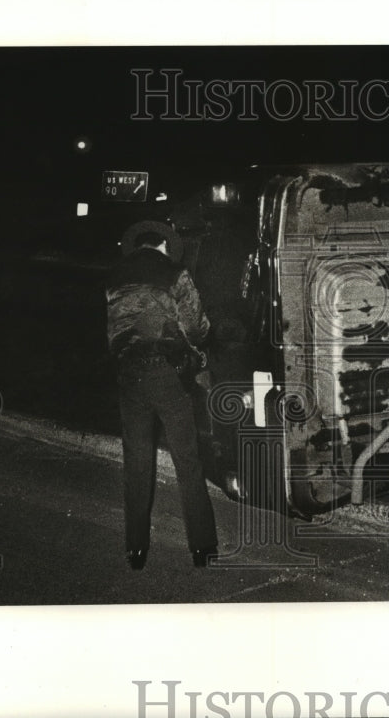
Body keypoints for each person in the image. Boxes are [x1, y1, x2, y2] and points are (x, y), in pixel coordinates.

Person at [106, 221, 218, 571]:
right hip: (167, 374)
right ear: (165, 246)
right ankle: (202, 547)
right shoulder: (175, 274)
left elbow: (113, 330)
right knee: (187, 459)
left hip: (130, 375)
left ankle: (136, 549)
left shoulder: (115, 276)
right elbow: (196, 327)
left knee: (137, 461)